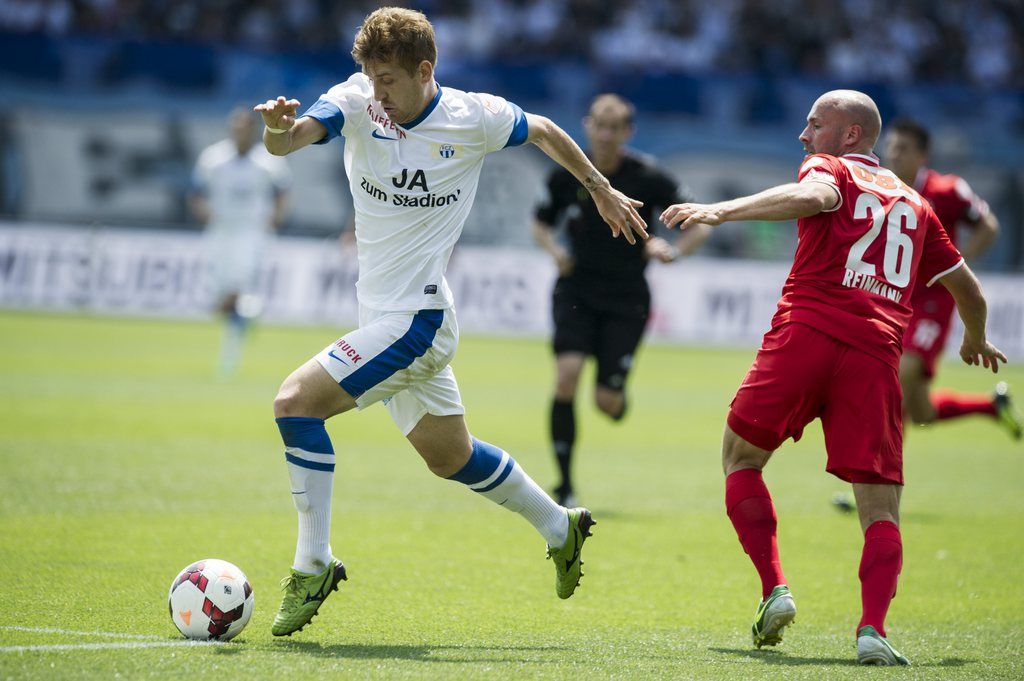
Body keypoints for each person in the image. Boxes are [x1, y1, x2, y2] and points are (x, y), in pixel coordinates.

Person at [253, 7, 649, 637]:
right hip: (384, 316)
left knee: (295, 404)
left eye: (388, 79)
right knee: (450, 457)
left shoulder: (472, 117)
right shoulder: (356, 101)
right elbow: (293, 138)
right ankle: (559, 525)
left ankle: (313, 563)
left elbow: (544, 129)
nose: (377, 91)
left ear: (425, 70)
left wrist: (599, 186)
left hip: (419, 321)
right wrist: (277, 132)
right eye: (370, 76)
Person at [661, 90, 1007, 666]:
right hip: (875, 359)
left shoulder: (833, 169)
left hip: (807, 335)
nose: (803, 135)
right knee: (881, 509)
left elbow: (814, 195)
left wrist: (720, 211)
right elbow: (968, 288)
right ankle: (872, 630)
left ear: (849, 135)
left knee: (741, 459)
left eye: (814, 124)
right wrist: (974, 337)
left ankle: (775, 588)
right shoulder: (918, 208)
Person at [533, 93, 710, 507]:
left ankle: (616, 394)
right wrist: (555, 252)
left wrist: (672, 250)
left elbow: (699, 222)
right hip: (576, 291)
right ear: (588, 126)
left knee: (606, 404)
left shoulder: (648, 176)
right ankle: (564, 485)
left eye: (616, 127)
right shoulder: (568, 174)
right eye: (600, 125)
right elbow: (540, 223)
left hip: (627, 298)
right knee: (565, 378)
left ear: (628, 132)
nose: (607, 134)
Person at [884, 119, 1020, 438]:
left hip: (933, 301)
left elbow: (988, 225)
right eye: (890, 147)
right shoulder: (880, 190)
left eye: (902, 149)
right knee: (922, 412)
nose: (893, 155)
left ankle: (878, 482)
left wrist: (961, 262)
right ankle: (992, 407)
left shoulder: (947, 190)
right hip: (893, 298)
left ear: (922, 156)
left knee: (900, 376)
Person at [190, 107, 290, 376]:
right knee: (220, 299)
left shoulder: (268, 161)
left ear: (253, 130)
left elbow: (282, 193)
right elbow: (196, 191)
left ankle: (229, 356)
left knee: (238, 290)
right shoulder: (213, 159)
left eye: (245, 127)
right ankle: (247, 315)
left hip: (252, 233)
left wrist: (275, 219)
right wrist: (204, 213)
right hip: (220, 231)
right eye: (237, 127)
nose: (241, 132)